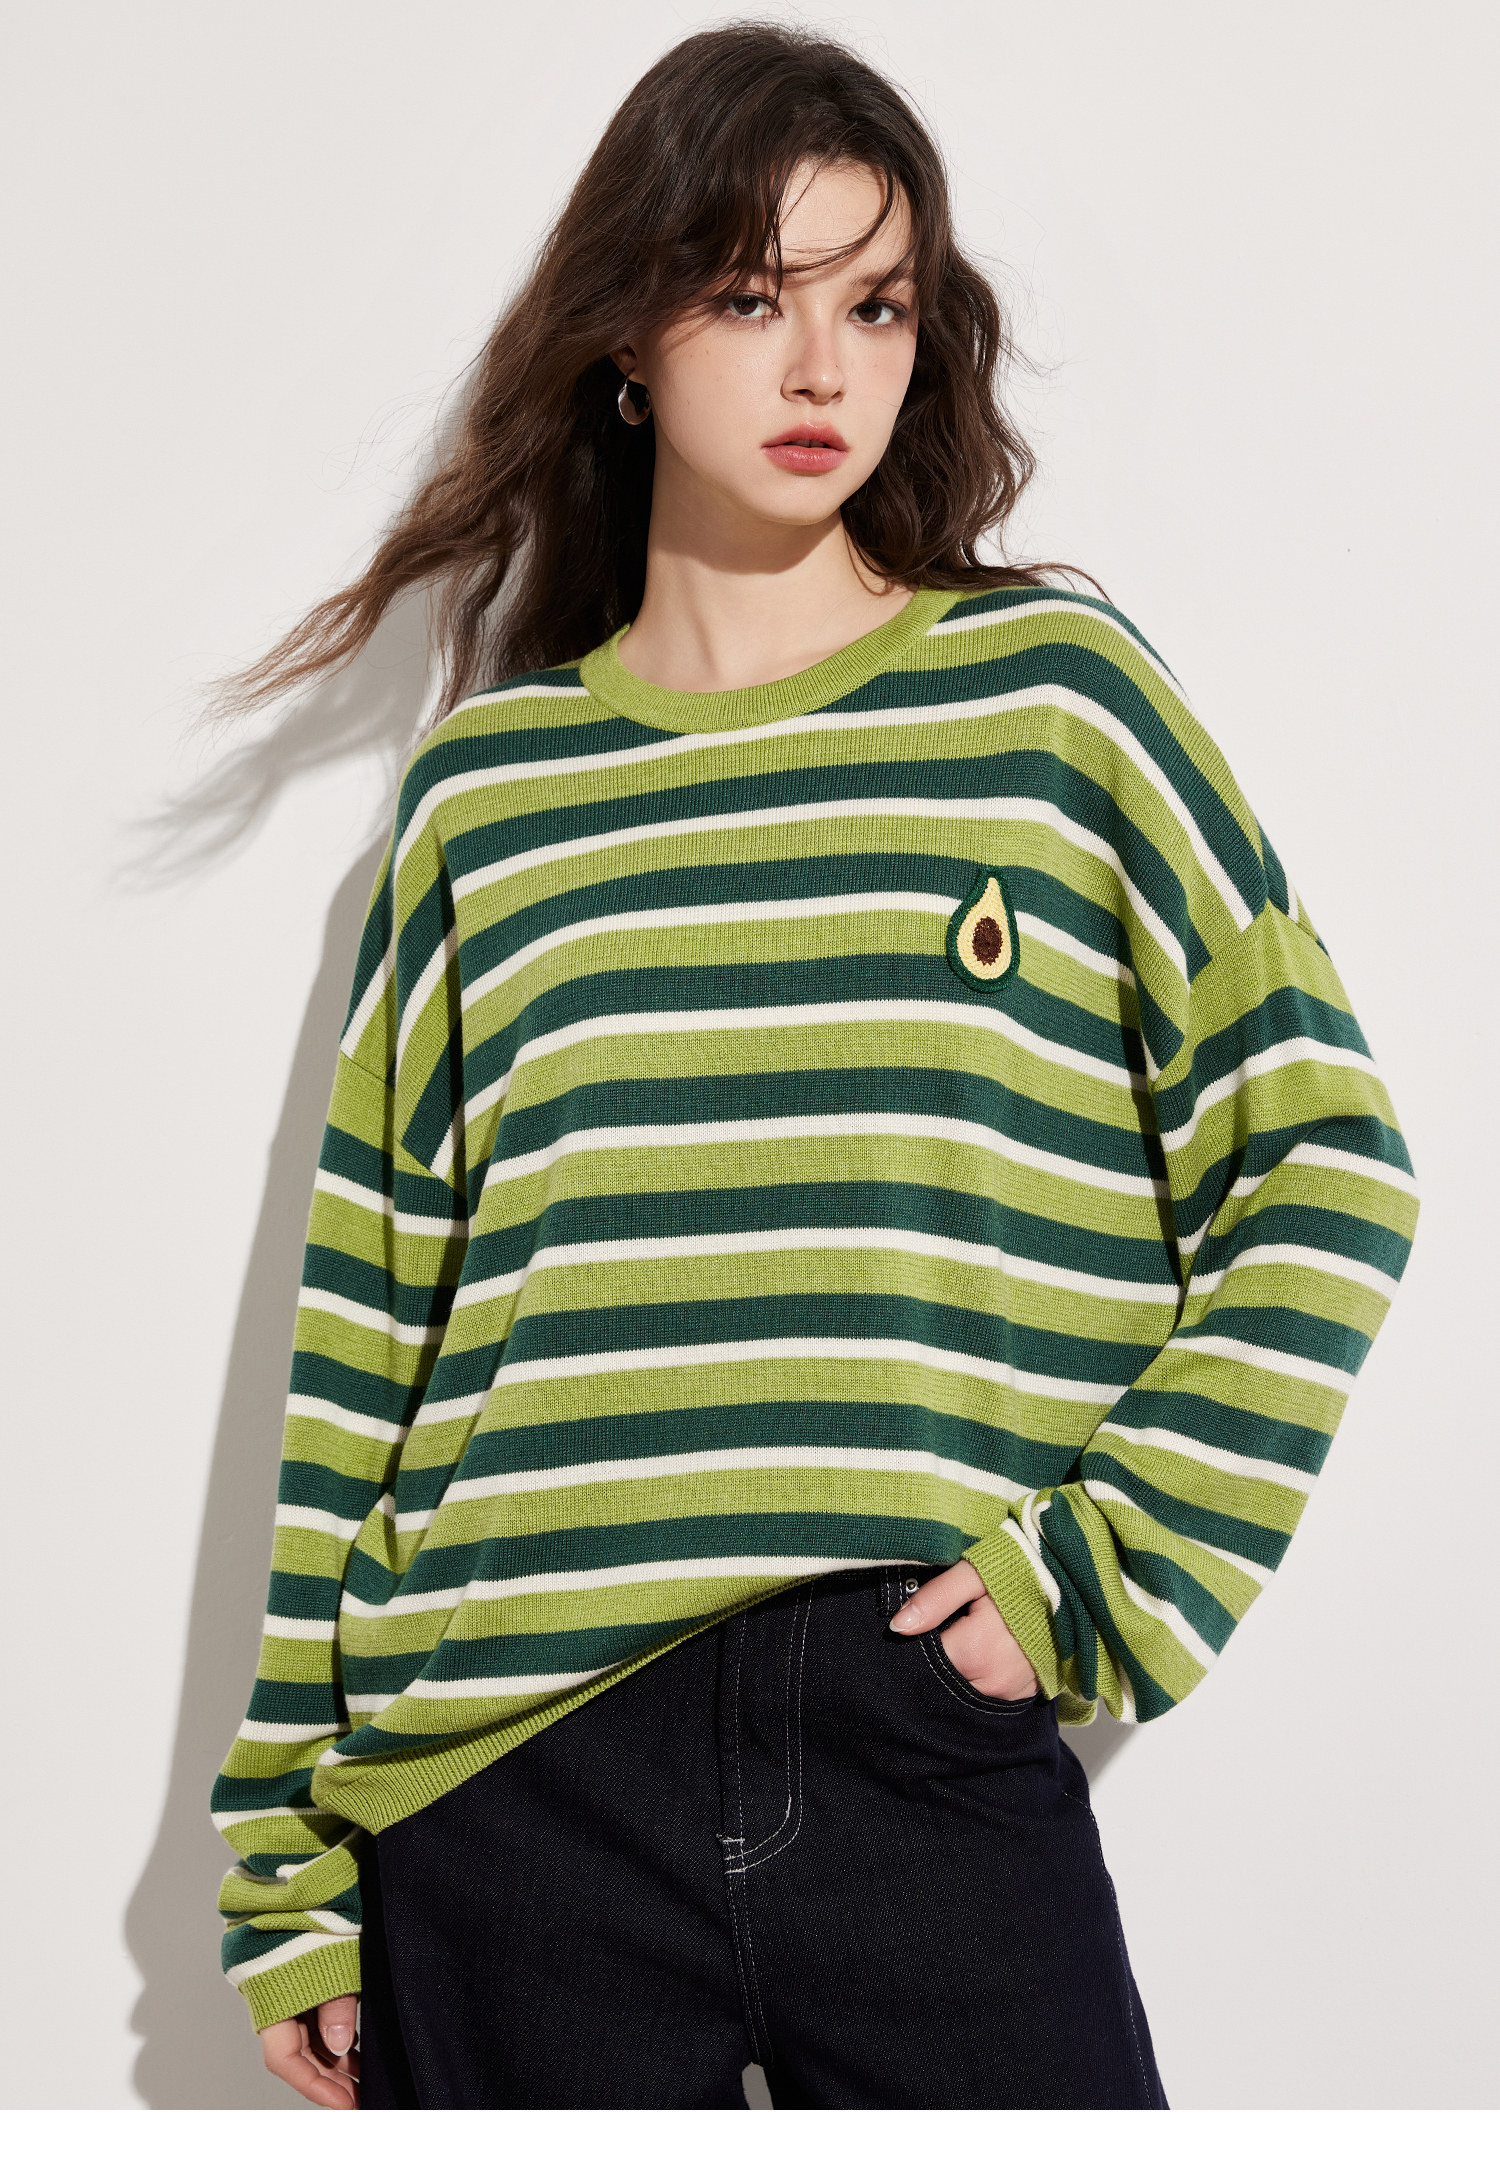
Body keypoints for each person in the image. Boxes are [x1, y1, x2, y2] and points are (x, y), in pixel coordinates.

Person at [210, 21, 1417, 2111]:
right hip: (510, 1787)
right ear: (625, 334)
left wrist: (1101, 1576)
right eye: (752, 295)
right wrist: (288, 1849)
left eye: (876, 305)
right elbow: (366, 1346)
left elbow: (1328, 1160)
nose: (821, 368)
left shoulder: (1054, 706)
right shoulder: (491, 800)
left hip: (917, 1726)